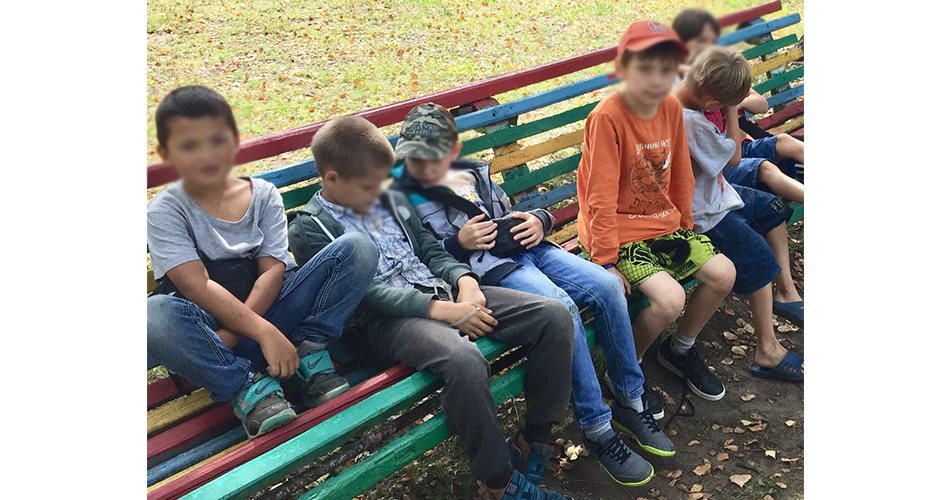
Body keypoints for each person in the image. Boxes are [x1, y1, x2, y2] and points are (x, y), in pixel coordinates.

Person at [287, 115, 576, 500]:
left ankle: (534, 437)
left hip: (443, 290)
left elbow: (428, 249)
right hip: (390, 322)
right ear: (333, 179)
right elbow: (363, 294)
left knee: (553, 317)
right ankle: (499, 482)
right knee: (464, 360)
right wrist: (439, 310)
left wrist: (465, 281)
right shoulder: (311, 227)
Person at [391, 103, 673, 487]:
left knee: (608, 287)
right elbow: (420, 257)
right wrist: (458, 243)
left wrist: (540, 221)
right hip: (491, 271)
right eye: (414, 158)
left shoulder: (470, 172)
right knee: (563, 308)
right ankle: (597, 427)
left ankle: (630, 398)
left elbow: (511, 212)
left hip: (531, 249)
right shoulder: (404, 196)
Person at [146, 86, 378, 440]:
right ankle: (246, 388)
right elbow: (196, 285)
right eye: (189, 145)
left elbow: (272, 269)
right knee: (154, 314)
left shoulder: (264, 194)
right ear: (167, 153)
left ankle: (309, 354)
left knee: (358, 247)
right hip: (214, 339)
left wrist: (263, 331)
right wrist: (260, 332)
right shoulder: (165, 210)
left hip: (273, 320)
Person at [576, 21, 737, 407]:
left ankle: (678, 350)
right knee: (669, 300)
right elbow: (599, 195)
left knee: (724, 274)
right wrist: (604, 261)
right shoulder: (608, 116)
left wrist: (685, 224)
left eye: (666, 68)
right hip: (617, 233)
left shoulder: (669, 107)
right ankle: (625, 370)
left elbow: (680, 171)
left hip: (663, 225)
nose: (656, 78)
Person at [671, 45, 804, 378]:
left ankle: (785, 295)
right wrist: (732, 109)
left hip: (717, 196)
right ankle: (767, 350)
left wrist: (730, 100)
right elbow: (732, 159)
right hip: (702, 213)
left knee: (771, 208)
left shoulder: (687, 97)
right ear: (713, 101)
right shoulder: (690, 121)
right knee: (759, 259)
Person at [672, 8, 806, 204]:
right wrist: (732, 108)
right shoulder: (698, 97)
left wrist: (735, 103)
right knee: (766, 168)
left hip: (740, 144)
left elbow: (761, 105)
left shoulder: (720, 76)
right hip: (723, 158)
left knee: (786, 141)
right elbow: (729, 157)